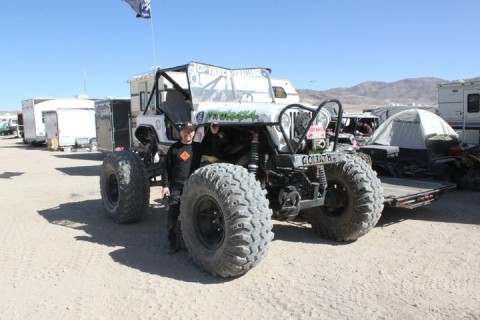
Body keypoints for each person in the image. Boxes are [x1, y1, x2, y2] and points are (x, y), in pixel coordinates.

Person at [161, 121, 220, 254]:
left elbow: (214, 150)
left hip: (193, 189)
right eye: (185, 131)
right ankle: (173, 242)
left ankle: (191, 242)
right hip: (177, 188)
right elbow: (166, 168)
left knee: (192, 216)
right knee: (172, 216)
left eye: (190, 131)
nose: (188, 133)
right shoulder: (174, 148)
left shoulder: (198, 147)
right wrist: (165, 186)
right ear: (181, 132)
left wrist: (214, 134)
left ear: (194, 133)